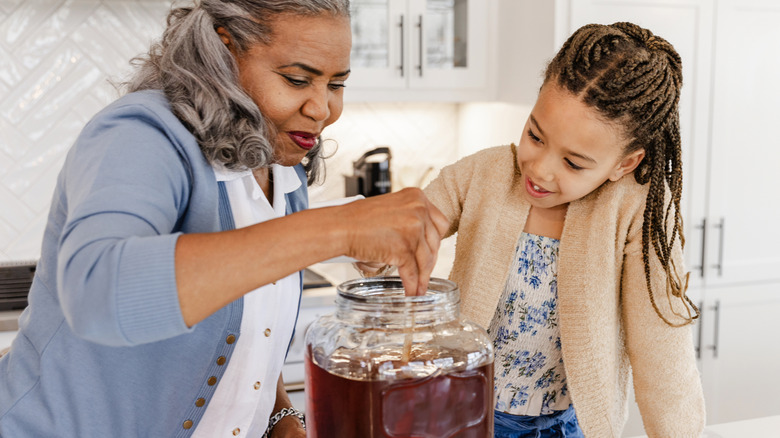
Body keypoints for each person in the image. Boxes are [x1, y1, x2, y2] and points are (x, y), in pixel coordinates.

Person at [0, 1, 448, 437]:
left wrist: (279, 419)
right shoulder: (141, 133)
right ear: (223, 51)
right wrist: (341, 228)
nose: (322, 109)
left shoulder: (281, 167)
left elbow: (250, 330)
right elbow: (98, 294)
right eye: (297, 79)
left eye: (336, 84)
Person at [422, 22, 705, 437]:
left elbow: (662, 352)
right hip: (466, 415)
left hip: (569, 426)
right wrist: (388, 246)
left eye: (573, 163)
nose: (539, 169)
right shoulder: (484, 173)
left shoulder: (634, 211)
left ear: (623, 164)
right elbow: (405, 228)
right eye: (535, 136)